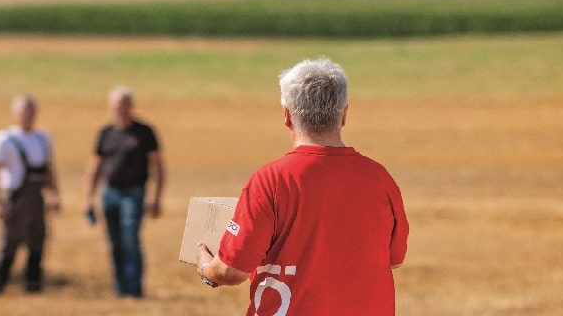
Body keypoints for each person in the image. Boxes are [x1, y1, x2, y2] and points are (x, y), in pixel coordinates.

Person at [195, 57, 410, 315]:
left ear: (287, 115)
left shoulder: (270, 180)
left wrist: (207, 269)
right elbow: (395, 259)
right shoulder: (379, 179)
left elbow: (232, 270)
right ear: (344, 115)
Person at [83, 86, 165, 298]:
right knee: (114, 242)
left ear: (131, 106)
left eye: (125, 104)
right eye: (117, 105)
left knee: (130, 239)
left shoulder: (144, 132)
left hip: (134, 194)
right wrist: (88, 198)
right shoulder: (106, 133)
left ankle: (134, 288)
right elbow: (95, 167)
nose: (121, 109)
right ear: (111, 107)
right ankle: (120, 288)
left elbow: (157, 166)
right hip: (109, 193)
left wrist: (156, 198)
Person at [0, 94, 61, 295]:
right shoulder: (5, 139)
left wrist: (54, 195)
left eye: (31, 111)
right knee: (10, 241)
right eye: (23, 111)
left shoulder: (43, 138)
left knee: (38, 240)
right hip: (16, 197)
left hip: (37, 197)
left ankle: (33, 284)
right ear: (15, 113)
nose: (27, 115)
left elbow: (49, 171)